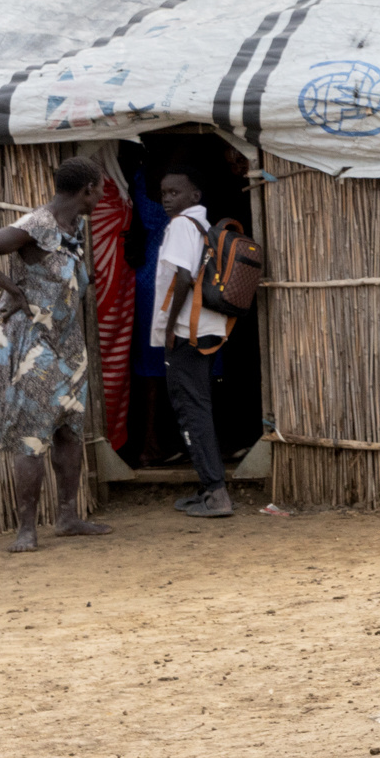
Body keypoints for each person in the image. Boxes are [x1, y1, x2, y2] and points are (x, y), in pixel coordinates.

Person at [0, 157, 114, 553]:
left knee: (69, 427)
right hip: (32, 340)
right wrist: (11, 288)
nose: (102, 196)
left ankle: (67, 517)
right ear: (88, 189)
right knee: (31, 433)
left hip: (66, 340)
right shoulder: (36, 225)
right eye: (100, 189)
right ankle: (26, 529)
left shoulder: (75, 227)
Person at [152, 168, 237, 519]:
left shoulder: (180, 226)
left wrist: (170, 327)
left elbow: (184, 278)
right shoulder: (203, 226)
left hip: (188, 329)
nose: (167, 198)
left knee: (191, 407)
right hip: (208, 326)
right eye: (164, 193)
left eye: (175, 192)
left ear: (194, 196)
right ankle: (209, 487)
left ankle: (216, 494)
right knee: (198, 403)